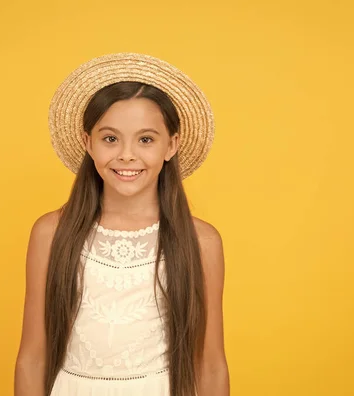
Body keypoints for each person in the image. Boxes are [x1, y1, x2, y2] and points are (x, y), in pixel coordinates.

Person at [14, 53, 229, 396]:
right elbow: (32, 358)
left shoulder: (201, 241)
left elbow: (211, 364)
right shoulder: (51, 233)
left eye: (145, 139)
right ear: (88, 143)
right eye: (110, 138)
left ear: (171, 145)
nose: (126, 155)